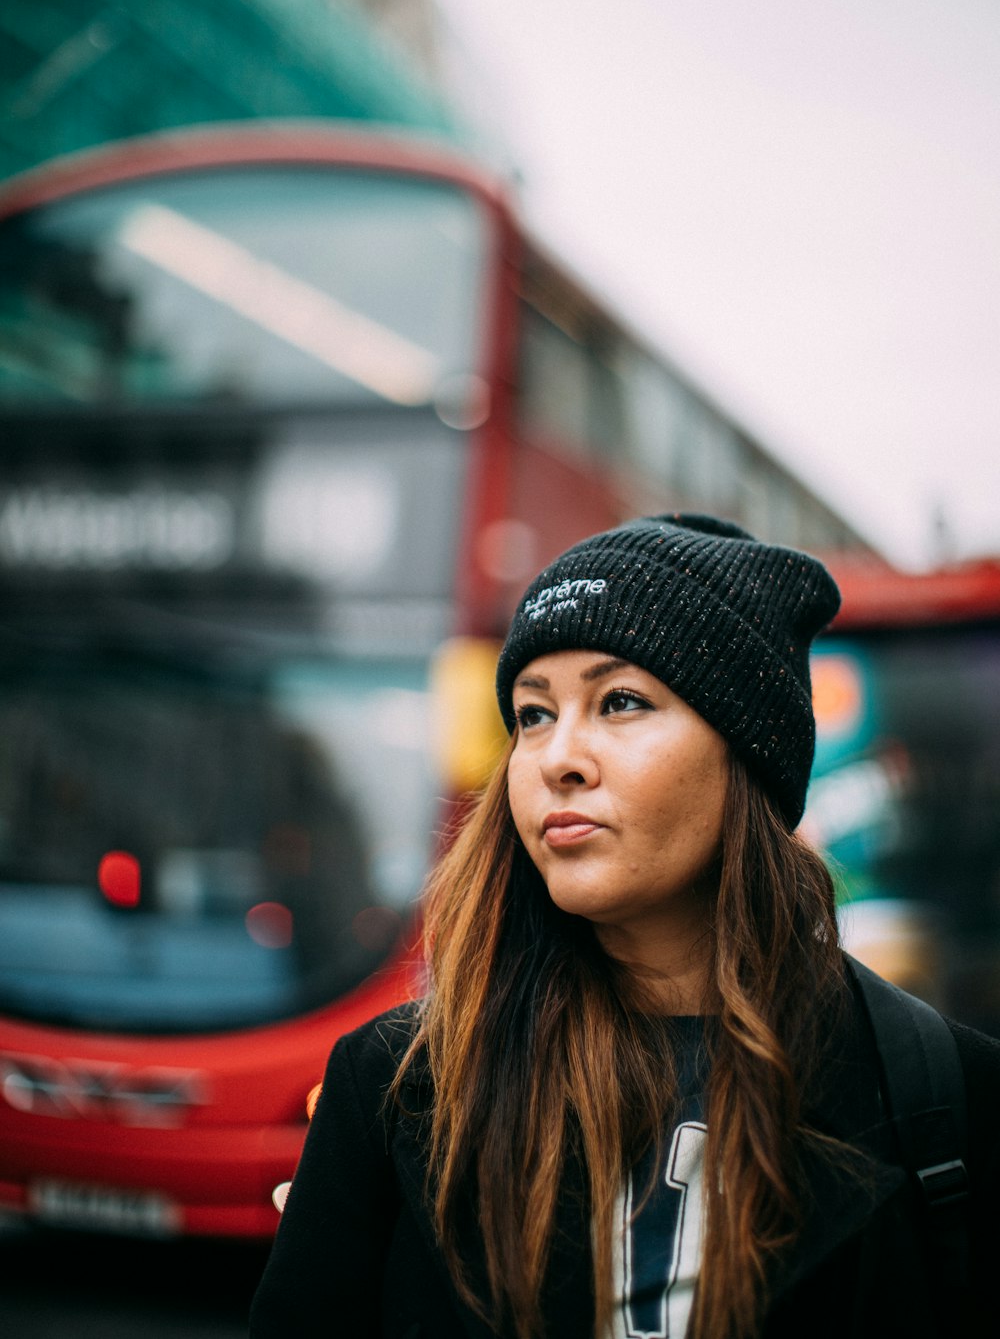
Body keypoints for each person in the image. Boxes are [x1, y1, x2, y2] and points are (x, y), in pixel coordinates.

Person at [249, 514, 1000, 1339]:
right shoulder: (397, 1085)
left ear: (748, 757)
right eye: (533, 714)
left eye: (621, 702)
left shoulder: (940, 1089)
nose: (556, 757)